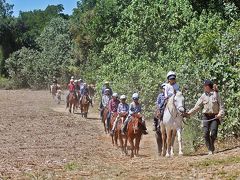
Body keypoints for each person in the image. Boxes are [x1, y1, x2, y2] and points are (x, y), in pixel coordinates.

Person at [185, 80, 225, 155]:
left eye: (205, 86)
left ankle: (212, 144)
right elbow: (197, 107)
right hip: (206, 116)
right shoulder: (203, 96)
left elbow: (222, 107)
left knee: (213, 133)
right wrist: (189, 113)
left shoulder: (216, 94)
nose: (203, 87)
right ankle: (210, 148)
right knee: (205, 132)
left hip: (215, 116)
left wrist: (220, 114)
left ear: (208, 86)